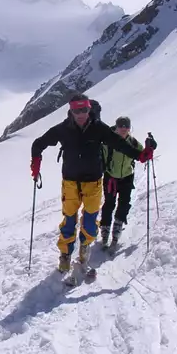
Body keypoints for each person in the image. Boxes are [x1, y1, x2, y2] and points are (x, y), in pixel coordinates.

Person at [30, 95, 155, 277]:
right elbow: (38, 144)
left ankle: (84, 249)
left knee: (89, 220)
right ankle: (65, 254)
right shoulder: (63, 129)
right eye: (76, 110)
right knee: (70, 219)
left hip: (93, 182)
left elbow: (120, 145)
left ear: (89, 109)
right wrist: (36, 163)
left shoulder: (99, 128)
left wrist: (142, 155)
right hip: (71, 182)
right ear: (70, 111)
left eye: (84, 110)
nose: (80, 114)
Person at [100, 116, 156, 249]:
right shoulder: (109, 141)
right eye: (121, 126)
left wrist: (151, 147)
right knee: (109, 204)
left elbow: (143, 154)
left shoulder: (133, 142)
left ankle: (116, 227)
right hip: (111, 177)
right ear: (117, 127)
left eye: (126, 126)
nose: (124, 129)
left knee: (123, 204)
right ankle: (106, 229)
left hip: (126, 177)